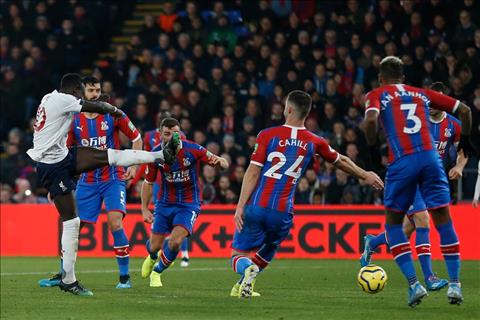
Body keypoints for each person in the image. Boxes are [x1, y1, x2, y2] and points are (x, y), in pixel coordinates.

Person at [26, 73, 181, 296]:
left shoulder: (49, 98)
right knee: (71, 222)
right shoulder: (65, 100)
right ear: (74, 91)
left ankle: (161, 156)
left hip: (63, 158)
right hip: (53, 166)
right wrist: (115, 110)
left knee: (110, 156)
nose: (84, 95)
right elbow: (91, 106)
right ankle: (68, 280)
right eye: (81, 91)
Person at [229, 90, 384, 298]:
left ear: (289, 109)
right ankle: (244, 285)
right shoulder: (314, 141)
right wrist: (364, 174)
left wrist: (240, 205)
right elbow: (341, 161)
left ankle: (247, 270)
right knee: (271, 245)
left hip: (258, 206)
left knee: (238, 255)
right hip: (283, 212)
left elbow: (253, 171)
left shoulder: (267, 135)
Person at [363, 57, 474, 307]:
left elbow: (370, 121)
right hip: (431, 161)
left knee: (394, 224)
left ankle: (415, 284)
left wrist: (371, 152)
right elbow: (465, 110)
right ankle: (455, 285)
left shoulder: (377, 94)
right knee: (443, 220)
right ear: (403, 77)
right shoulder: (421, 93)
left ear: (381, 78)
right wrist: (466, 142)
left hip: (402, 162)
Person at [38, 76, 142, 289]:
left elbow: (136, 137)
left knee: (115, 222)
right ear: (81, 93)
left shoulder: (112, 113)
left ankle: (124, 278)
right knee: (73, 226)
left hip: (112, 179)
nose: (95, 94)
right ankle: (63, 273)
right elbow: (64, 154)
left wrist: (134, 166)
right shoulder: (72, 118)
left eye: (97, 90)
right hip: (87, 182)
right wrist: (58, 183)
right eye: (91, 91)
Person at [140, 117, 229, 287]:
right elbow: (148, 183)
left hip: (189, 204)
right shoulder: (155, 155)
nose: (172, 137)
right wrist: (144, 209)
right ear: (160, 135)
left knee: (175, 241)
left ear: (180, 134)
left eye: (176, 133)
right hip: (165, 203)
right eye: (167, 134)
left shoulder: (193, 149)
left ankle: (157, 272)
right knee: (154, 246)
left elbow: (219, 160)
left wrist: (222, 163)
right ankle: (152, 256)